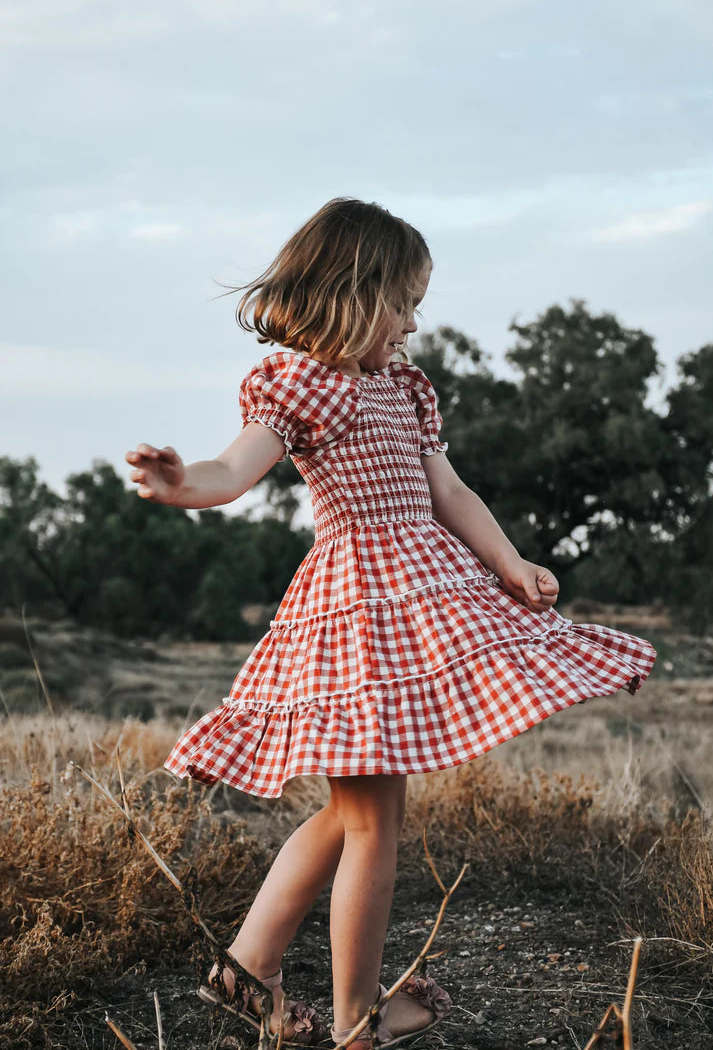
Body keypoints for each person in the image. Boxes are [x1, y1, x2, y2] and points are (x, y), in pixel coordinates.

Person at [126, 198, 656, 1048]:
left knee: (355, 812)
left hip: (422, 591)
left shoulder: (404, 386)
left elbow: (449, 494)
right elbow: (232, 469)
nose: (413, 321)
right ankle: (356, 1023)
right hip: (355, 607)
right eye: (405, 301)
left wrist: (511, 564)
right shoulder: (296, 382)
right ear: (353, 292)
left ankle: (246, 968)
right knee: (372, 821)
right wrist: (179, 484)